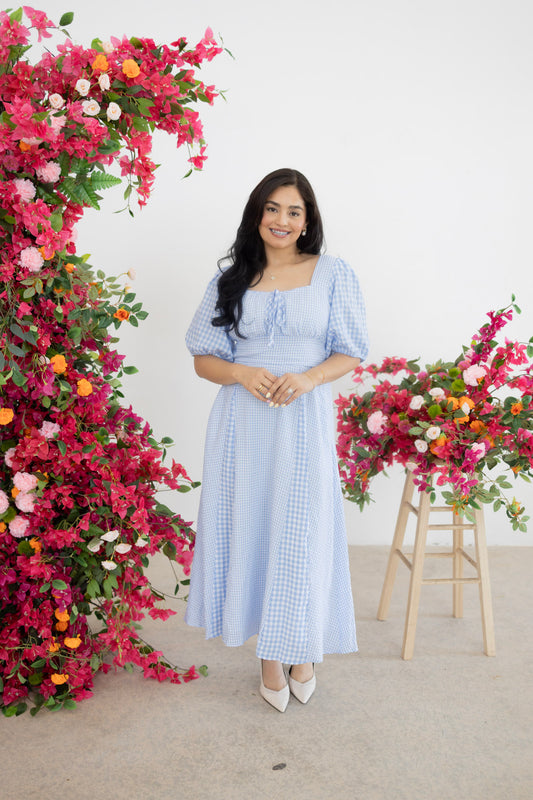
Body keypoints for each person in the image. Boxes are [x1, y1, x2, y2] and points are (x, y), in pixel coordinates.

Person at [185, 168, 369, 712]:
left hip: (304, 421)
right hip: (243, 426)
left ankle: (303, 648)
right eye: (271, 209)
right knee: (253, 528)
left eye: (293, 211)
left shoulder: (333, 273)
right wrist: (242, 373)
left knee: (302, 532)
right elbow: (202, 358)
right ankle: (269, 654)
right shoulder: (231, 277)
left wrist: (309, 378)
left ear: (307, 220)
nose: (281, 220)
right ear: (256, 215)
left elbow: (351, 348)